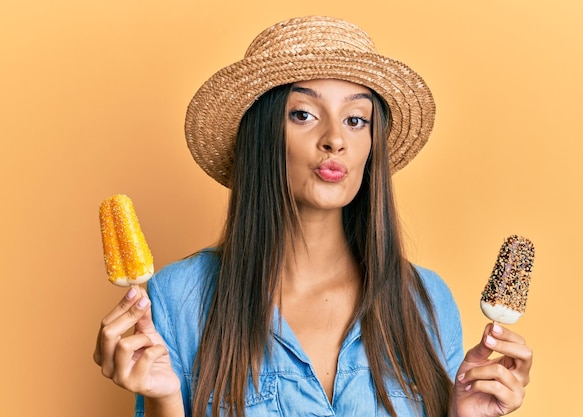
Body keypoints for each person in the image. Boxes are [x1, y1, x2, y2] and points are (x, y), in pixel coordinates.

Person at [94, 16, 532, 417]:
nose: (335, 139)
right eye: (303, 114)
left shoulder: (427, 302)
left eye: (357, 120)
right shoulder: (178, 298)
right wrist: (164, 400)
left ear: (371, 146)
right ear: (264, 137)